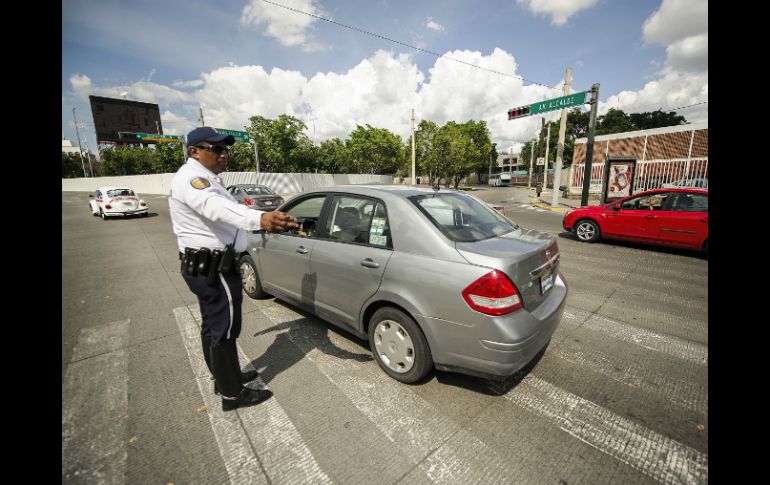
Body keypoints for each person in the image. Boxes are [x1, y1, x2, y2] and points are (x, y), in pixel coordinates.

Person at [169, 126, 299, 412]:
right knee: (224, 330)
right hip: (214, 268)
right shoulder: (194, 179)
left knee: (212, 326)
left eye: (225, 149)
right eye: (215, 149)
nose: (223, 154)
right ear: (194, 151)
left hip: (206, 265)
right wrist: (261, 218)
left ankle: (224, 377)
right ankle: (233, 394)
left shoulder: (207, 178)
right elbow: (216, 209)